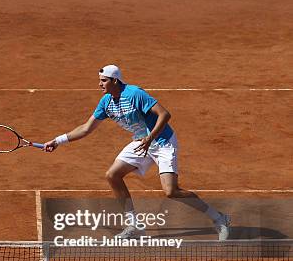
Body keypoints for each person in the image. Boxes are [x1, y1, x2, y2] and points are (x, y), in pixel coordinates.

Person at [43, 65, 230, 240]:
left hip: (163, 141)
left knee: (171, 191)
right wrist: (57, 140)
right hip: (142, 142)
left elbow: (165, 114)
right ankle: (134, 225)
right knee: (113, 175)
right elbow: (86, 128)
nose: (100, 84)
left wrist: (150, 138)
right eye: (100, 80)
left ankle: (219, 218)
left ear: (115, 81)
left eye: (104, 80)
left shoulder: (134, 94)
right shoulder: (106, 102)